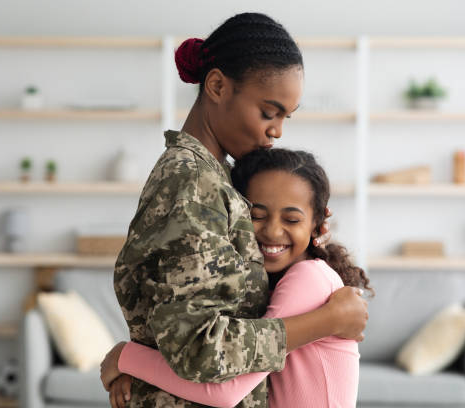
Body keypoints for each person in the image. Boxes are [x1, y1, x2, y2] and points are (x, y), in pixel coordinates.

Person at [107, 12, 368, 407]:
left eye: (285, 117)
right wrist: (326, 322)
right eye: (269, 112)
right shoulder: (192, 183)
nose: (277, 130)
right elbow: (200, 349)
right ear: (216, 86)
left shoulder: (221, 180)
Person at [102, 148, 374, 408]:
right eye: (257, 216)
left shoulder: (308, 278)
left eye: (291, 220)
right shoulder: (272, 280)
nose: (272, 231)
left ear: (318, 226)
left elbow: (226, 389)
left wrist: (126, 358)